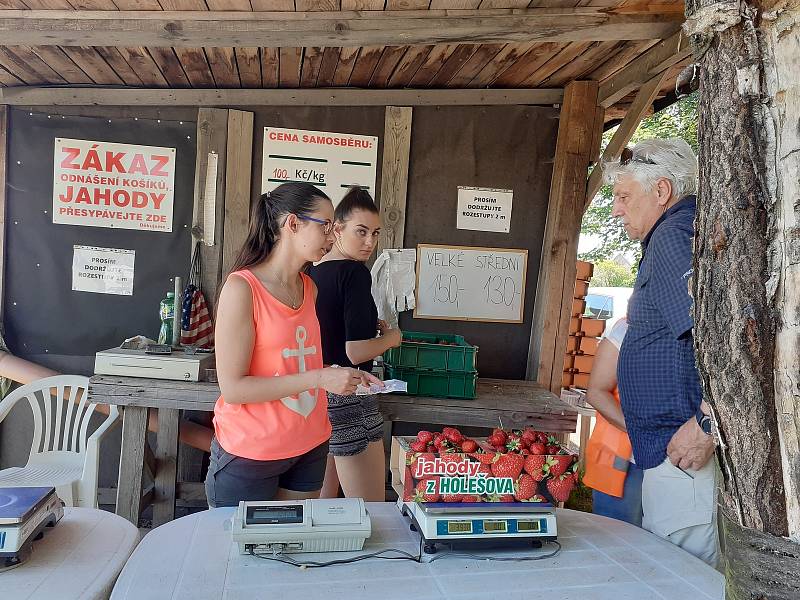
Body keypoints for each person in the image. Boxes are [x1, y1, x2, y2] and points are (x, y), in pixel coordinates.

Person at [205, 182, 382, 508]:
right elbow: (233, 389)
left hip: (309, 447)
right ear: (293, 224)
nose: (332, 236)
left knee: (293, 549)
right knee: (242, 555)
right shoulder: (242, 289)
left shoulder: (309, 287)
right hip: (251, 453)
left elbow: (298, 365)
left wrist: (339, 374)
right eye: (326, 225)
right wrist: (318, 379)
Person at [603, 138, 719, 567]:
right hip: (673, 453)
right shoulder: (672, 235)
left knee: (679, 580)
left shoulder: (672, 236)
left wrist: (706, 424)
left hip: (684, 453)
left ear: (662, 191)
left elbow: (716, 341)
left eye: (622, 196)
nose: (616, 210)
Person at [309, 187, 402, 501]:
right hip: (350, 396)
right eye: (360, 232)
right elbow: (355, 351)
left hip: (318, 394)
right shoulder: (355, 273)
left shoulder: (313, 271)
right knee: (372, 509)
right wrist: (392, 338)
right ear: (337, 229)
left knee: (323, 503)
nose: (369, 243)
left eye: (375, 234)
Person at [584, 317, 643, 526]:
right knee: (617, 540)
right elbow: (597, 393)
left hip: (674, 462)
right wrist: (646, 433)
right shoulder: (626, 328)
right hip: (623, 464)